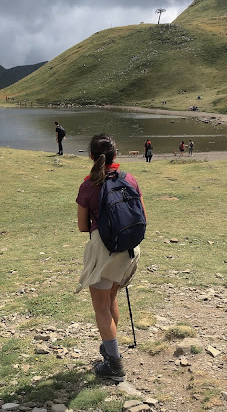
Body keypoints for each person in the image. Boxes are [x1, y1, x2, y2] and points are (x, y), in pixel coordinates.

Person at [75, 133, 145, 382]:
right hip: (129, 249)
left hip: (104, 251)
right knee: (111, 297)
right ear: (116, 155)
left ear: (92, 156)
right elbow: (142, 214)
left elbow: (83, 226)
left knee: (101, 307)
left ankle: (115, 365)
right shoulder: (130, 179)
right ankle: (109, 348)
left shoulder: (87, 186)